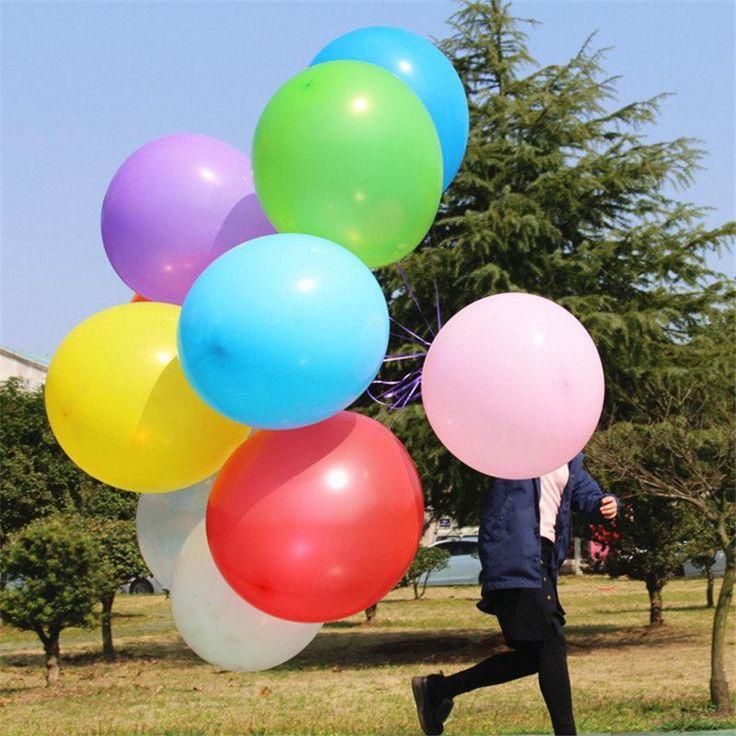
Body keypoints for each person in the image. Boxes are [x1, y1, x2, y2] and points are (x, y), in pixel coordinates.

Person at [411, 453, 619, 736]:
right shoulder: (513, 443)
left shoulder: (568, 452)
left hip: (544, 557)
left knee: (534, 656)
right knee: (551, 644)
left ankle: (440, 689)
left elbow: (585, 492)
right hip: (513, 552)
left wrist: (605, 503)